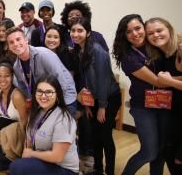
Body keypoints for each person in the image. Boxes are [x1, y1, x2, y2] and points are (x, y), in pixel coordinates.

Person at [112, 14, 170, 175]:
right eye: (129, 31)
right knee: (149, 151)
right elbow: (159, 82)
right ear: (124, 36)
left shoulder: (157, 44)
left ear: (144, 27)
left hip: (166, 104)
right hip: (143, 107)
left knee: (160, 152)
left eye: (137, 28)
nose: (135, 34)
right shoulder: (128, 57)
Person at [70, 18, 121, 175]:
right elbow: (85, 81)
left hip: (108, 98)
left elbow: (103, 81)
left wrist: (102, 107)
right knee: (95, 136)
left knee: (105, 137)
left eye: (80, 31)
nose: (76, 34)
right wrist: (86, 104)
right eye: (73, 31)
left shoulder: (98, 51)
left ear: (88, 32)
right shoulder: (79, 50)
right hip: (93, 99)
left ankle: (109, 171)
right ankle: (98, 169)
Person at [9, 75, 79, 175]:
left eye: (49, 92)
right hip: (43, 162)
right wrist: (26, 153)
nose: (43, 96)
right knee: (7, 164)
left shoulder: (63, 119)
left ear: (57, 94)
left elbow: (57, 156)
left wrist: (31, 154)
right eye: (40, 91)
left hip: (63, 169)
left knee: (17, 168)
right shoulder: (37, 112)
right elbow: (28, 141)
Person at [6, 26, 77, 116]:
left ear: (26, 40)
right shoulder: (16, 66)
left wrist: (53, 107)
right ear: (9, 47)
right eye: (11, 42)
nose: (15, 44)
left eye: (18, 39)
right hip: (44, 100)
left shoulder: (44, 55)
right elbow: (23, 86)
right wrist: (31, 98)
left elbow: (62, 82)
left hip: (64, 99)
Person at [145, 17, 182, 175]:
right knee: (169, 155)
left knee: (178, 160)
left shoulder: (180, 48)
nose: (155, 35)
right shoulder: (162, 52)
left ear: (170, 29)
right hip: (175, 112)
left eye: (159, 30)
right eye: (150, 33)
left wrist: (170, 81)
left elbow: (170, 80)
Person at [0, 62, 27, 171]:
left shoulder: (17, 95)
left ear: (12, 77)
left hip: (17, 137)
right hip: (3, 135)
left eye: (6, 76)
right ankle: (9, 158)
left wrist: (24, 146)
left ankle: (17, 159)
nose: (3, 79)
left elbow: (25, 122)